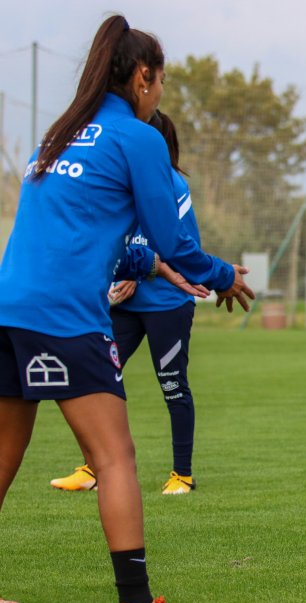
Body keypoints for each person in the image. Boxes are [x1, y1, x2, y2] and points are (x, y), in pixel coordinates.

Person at [0, 14, 254, 603]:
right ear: (143, 77)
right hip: (64, 317)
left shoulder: (59, 136)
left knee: (4, 454)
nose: (160, 94)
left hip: (9, 308)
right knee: (116, 458)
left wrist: (148, 264)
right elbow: (178, 244)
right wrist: (224, 277)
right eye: (161, 81)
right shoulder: (138, 139)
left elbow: (100, 235)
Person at [51, 111, 203, 497]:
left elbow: (177, 245)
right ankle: (92, 467)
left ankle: (182, 475)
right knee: (94, 377)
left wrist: (142, 271)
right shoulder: (121, 183)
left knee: (173, 386)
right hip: (125, 306)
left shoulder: (173, 184)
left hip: (169, 302)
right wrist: (120, 273)